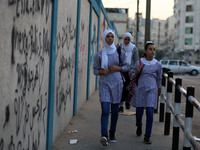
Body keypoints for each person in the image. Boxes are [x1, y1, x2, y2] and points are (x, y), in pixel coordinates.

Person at [93, 29, 129, 146]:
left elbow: (127, 66)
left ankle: (112, 132)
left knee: (114, 111)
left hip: (117, 84)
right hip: (104, 84)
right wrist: (102, 72)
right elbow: (95, 70)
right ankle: (104, 135)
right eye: (107, 36)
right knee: (105, 109)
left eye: (112, 36)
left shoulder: (119, 52)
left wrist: (117, 68)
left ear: (114, 38)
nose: (110, 38)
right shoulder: (99, 54)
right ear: (104, 38)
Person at [131, 41, 162, 144]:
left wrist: (159, 89)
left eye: (154, 49)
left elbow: (159, 78)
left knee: (149, 112)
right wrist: (137, 71)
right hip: (140, 89)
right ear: (145, 51)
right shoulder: (139, 62)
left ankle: (147, 135)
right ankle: (139, 125)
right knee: (139, 113)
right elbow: (132, 76)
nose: (152, 51)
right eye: (150, 49)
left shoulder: (158, 64)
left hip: (152, 90)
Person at [118, 32, 139, 112]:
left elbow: (136, 60)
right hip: (120, 70)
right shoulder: (120, 46)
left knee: (129, 88)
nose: (126, 41)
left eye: (128, 39)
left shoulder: (134, 48)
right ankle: (121, 105)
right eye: (125, 39)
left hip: (130, 71)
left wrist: (135, 71)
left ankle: (128, 101)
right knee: (121, 87)